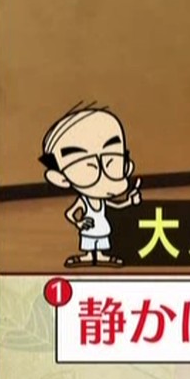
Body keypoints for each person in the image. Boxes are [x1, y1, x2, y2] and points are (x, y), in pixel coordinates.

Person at [40, 104, 143, 267]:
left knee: (101, 243)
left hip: (102, 229)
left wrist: (130, 201)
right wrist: (80, 223)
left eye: (111, 161)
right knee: (89, 244)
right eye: (88, 166)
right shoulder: (84, 200)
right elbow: (70, 213)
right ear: (60, 178)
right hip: (89, 230)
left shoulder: (102, 199)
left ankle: (100, 256)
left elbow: (116, 205)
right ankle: (88, 256)